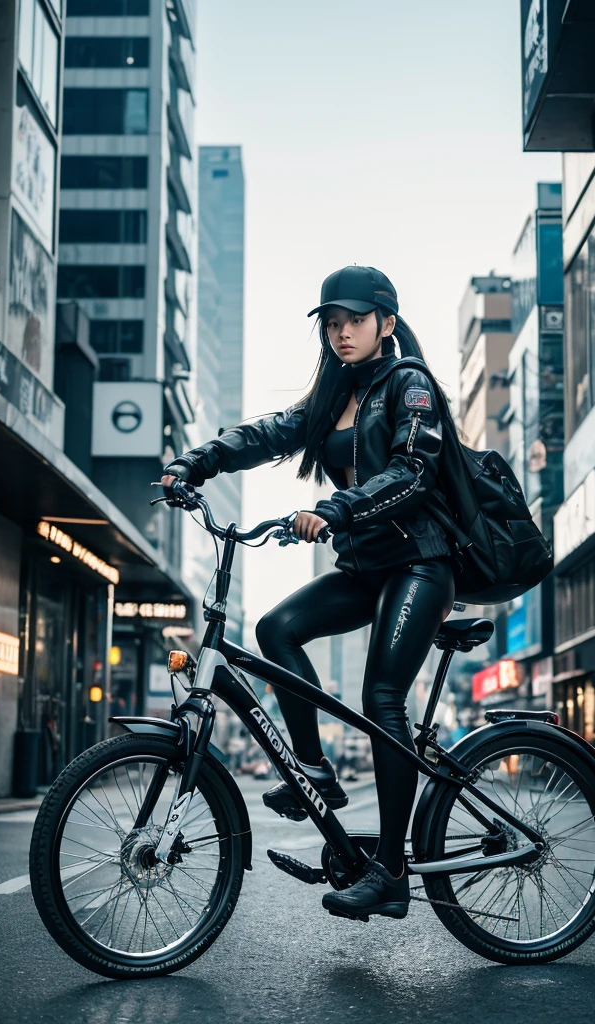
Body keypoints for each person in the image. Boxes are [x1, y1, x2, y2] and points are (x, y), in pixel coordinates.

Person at [161, 265, 455, 920]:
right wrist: (197, 462)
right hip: (366, 567)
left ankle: (392, 871)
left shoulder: (409, 387)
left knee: (381, 695)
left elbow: (414, 472)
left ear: (386, 321)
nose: (341, 331)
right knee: (275, 628)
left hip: (420, 562)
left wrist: (338, 509)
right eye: (331, 322)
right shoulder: (333, 395)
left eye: (353, 319)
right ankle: (314, 770)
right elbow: (267, 433)